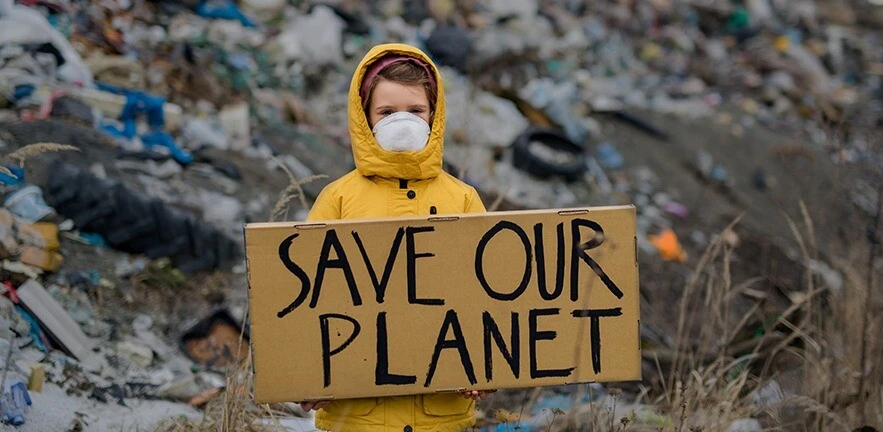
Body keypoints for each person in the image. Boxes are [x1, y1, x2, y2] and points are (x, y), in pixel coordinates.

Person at [300, 43, 492, 431]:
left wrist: (485, 368)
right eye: (387, 112)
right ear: (364, 118)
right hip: (357, 419)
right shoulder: (337, 199)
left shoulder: (463, 198)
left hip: (441, 417)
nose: (402, 122)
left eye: (416, 110)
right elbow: (306, 297)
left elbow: (489, 299)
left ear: (434, 116)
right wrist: (308, 374)